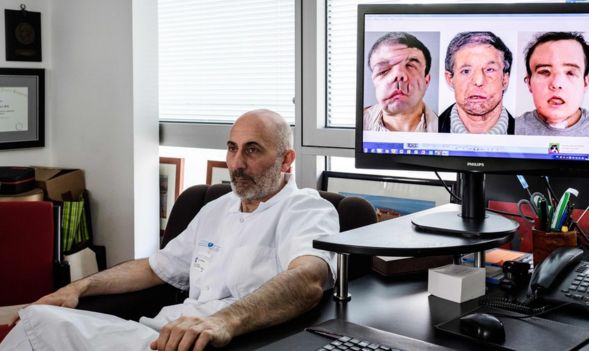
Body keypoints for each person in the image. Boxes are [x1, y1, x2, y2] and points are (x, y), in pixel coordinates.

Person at [0, 109, 339, 351]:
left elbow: (308, 278)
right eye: (232, 148)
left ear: (286, 159)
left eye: (252, 149)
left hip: (213, 341)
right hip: (155, 333)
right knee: (40, 317)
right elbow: (154, 268)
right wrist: (79, 287)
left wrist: (226, 321)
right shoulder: (215, 208)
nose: (236, 163)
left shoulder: (306, 209)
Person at [515, 32, 589, 136]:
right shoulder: (511, 129)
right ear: (529, 83)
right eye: (545, 71)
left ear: (585, 83)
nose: (556, 84)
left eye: (570, 73)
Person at [439, 32, 514, 134]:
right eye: (466, 71)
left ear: (505, 79)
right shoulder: (427, 131)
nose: (478, 81)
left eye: (490, 69)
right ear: (450, 79)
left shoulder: (525, 133)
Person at [363, 32, 438, 132]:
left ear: (426, 81)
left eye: (411, 66)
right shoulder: (358, 123)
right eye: (383, 70)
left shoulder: (447, 127)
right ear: (374, 81)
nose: (398, 75)